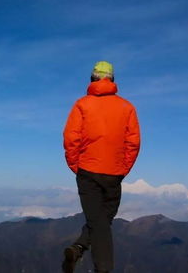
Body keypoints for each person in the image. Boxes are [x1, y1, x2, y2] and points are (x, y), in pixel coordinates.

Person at [62, 61, 140, 273]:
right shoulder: (127, 107)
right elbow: (133, 143)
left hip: (87, 171)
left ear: (92, 79)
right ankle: (85, 254)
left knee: (99, 221)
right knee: (104, 218)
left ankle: (84, 253)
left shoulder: (81, 104)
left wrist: (76, 166)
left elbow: (71, 139)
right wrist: (123, 168)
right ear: (112, 80)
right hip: (114, 173)